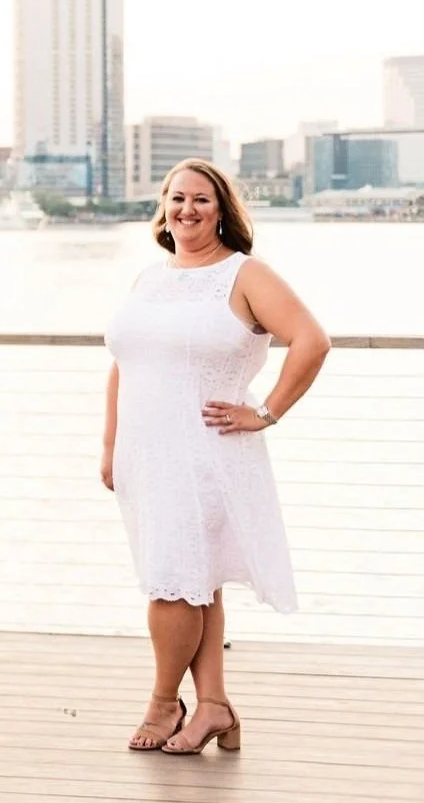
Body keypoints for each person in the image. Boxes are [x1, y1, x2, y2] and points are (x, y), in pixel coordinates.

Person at [104, 158, 328, 754]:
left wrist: (267, 412)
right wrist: (110, 447)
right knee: (195, 580)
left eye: (201, 199)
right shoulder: (149, 279)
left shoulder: (244, 274)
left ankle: (162, 703)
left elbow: (312, 340)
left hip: (206, 455)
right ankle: (214, 707)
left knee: (172, 584)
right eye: (177, 198)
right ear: (163, 206)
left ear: (223, 209)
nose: (187, 209)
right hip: (144, 455)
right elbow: (124, 365)